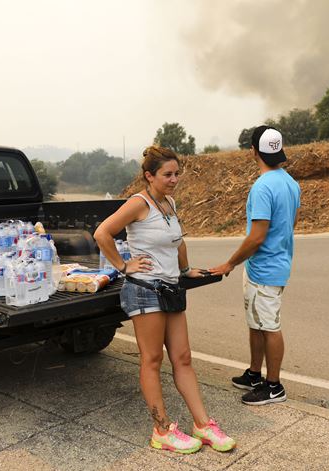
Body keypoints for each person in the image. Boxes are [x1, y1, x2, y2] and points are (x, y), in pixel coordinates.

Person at [94, 145, 236, 454]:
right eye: (167, 175)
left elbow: (177, 242)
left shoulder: (169, 202)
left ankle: (202, 425)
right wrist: (123, 265)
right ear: (149, 176)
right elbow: (102, 233)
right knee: (152, 360)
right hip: (144, 289)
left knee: (183, 357)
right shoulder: (138, 203)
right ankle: (161, 430)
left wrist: (185, 270)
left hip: (171, 287)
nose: (174, 180)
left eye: (177, 174)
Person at [209, 126, 301, 406]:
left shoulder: (262, 187)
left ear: (253, 151)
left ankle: (273, 386)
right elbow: (291, 223)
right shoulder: (290, 183)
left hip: (264, 268)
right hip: (274, 263)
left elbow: (257, 236)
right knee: (257, 322)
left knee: (269, 325)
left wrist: (230, 263)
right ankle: (254, 374)